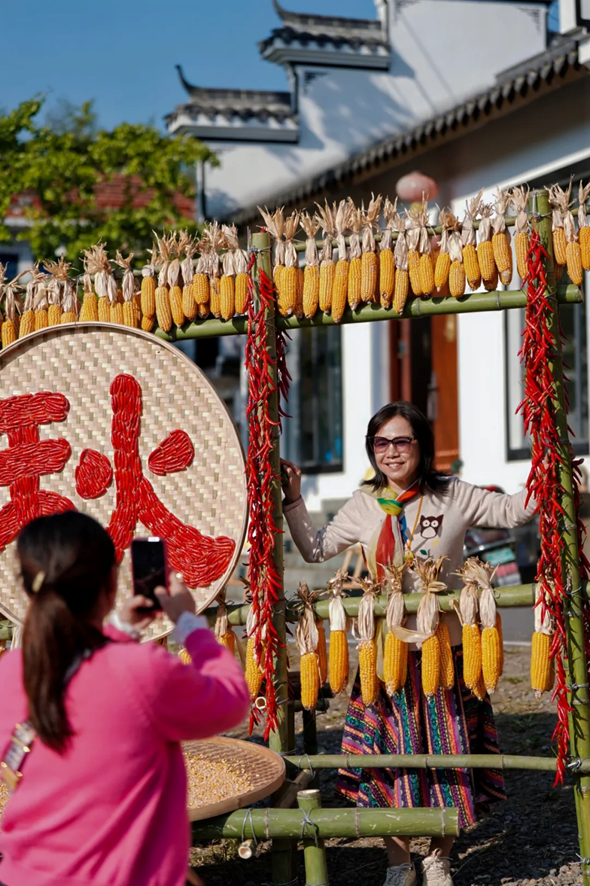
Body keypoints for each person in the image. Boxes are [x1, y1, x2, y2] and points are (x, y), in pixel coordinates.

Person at [281, 401, 536, 886]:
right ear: (371, 449)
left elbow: (514, 511)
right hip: (386, 654)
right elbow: (314, 549)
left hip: (447, 650)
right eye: (382, 442)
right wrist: (294, 498)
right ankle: (398, 862)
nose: (392, 452)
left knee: (451, 751)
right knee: (387, 754)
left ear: (422, 445)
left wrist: (550, 472)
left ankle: (438, 855)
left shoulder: (454, 495)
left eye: (402, 441)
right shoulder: (362, 503)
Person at [0, 511, 250, 886]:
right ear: (111, 585)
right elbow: (232, 699)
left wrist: (121, 630)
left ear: (28, 588)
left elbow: (81, 679)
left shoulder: (9, 673)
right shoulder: (141, 671)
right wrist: (189, 624)